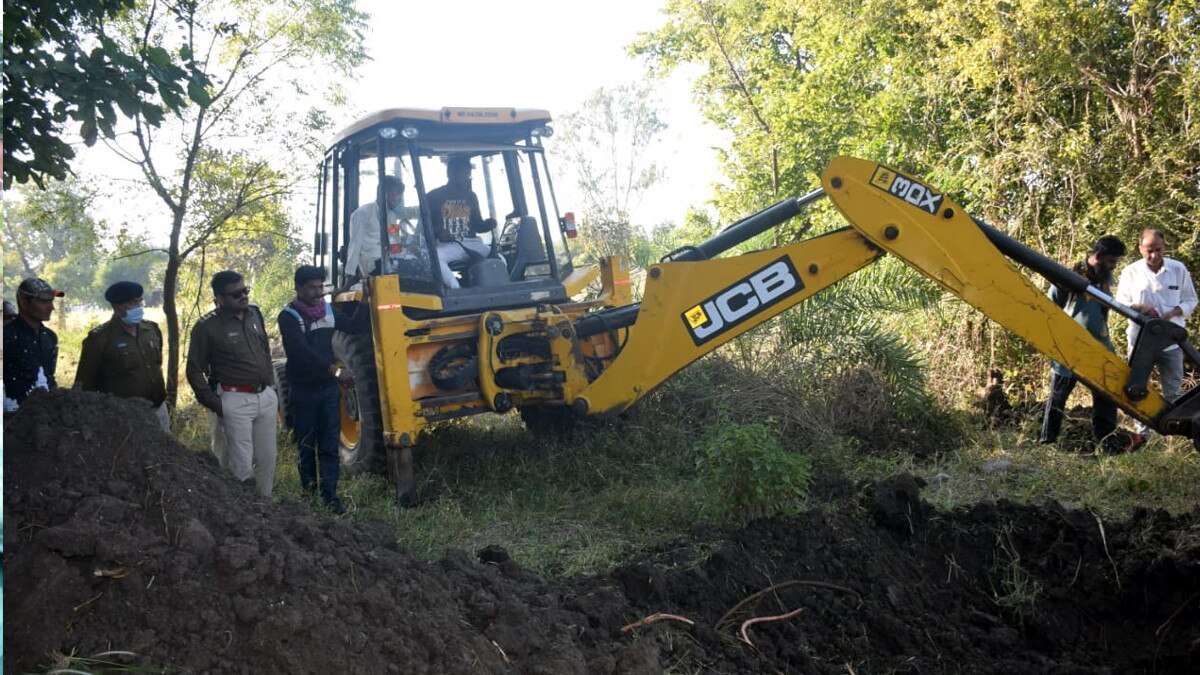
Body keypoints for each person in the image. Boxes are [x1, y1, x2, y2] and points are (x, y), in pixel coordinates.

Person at [278, 266, 369, 513]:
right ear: (298, 288)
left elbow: (354, 326)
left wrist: (366, 299)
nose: (317, 293)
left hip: (328, 391)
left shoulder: (327, 310)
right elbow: (301, 352)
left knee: (329, 446)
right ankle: (309, 498)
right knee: (306, 447)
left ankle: (330, 499)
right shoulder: (289, 317)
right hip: (303, 392)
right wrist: (335, 371)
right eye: (311, 288)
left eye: (320, 287)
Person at [185, 270, 278, 497]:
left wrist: (271, 385)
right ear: (219, 298)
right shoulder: (207, 327)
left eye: (244, 290)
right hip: (233, 398)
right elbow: (194, 370)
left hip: (264, 396)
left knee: (267, 458)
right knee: (239, 463)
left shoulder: (254, 314)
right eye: (236, 294)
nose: (243, 296)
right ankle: (242, 507)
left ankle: (265, 505)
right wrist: (215, 404)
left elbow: (264, 349)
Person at [1039, 236, 1126, 451]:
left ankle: (1106, 444)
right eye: (1111, 261)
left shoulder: (1105, 280)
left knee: (1106, 396)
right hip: (1069, 348)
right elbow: (1049, 309)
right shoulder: (1068, 277)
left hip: (1099, 347)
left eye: (1115, 262)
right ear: (1098, 256)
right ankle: (1047, 443)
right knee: (1058, 398)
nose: (1113, 266)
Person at [1115, 228, 1197, 446]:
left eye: (1158, 250)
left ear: (1164, 247)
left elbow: (1191, 300)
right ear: (1140, 248)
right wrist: (1139, 308)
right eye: (1149, 250)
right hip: (1140, 341)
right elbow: (1120, 303)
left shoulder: (1178, 269)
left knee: (1173, 390)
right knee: (1137, 388)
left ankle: (1172, 435)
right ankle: (1142, 435)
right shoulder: (1131, 272)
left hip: (1172, 342)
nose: (1154, 255)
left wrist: (1175, 312)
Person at [74, 281, 169, 432]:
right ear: (117, 307)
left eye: (139, 301)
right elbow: (84, 385)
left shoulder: (151, 329)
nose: (138, 307)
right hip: (124, 417)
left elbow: (156, 365)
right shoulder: (100, 339)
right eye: (132, 303)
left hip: (158, 409)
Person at [427, 154, 500, 288]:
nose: (466, 177)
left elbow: (478, 225)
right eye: (462, 173)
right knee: (434, 257)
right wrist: (437, 232)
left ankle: (495, 289)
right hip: (448, 245)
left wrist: (488, 224)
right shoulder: (433, 196)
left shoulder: (471, 196)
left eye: (468, 173)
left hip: (472, 243)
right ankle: (456, 289)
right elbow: (424, 226)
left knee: (501, 260)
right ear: (450, 173)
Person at [345, 175, 420, 280]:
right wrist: (350, 274)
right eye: (397, 194)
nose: (400, 198)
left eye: (401, 194)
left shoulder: (391, 216)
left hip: (388, 259)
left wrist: (411, 251)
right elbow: (355, 244)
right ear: (383, 193)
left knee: (419, 265)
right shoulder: (362, 213)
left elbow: (395, 245)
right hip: (372, 263)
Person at [4, 278, 64, 410]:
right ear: (24, 303)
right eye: (44, 301)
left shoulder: (50, 337)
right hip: (14, 411)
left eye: (51, 301)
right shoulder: (6, 337)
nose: (51, 307)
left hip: (46, 411)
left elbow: (49, 375)